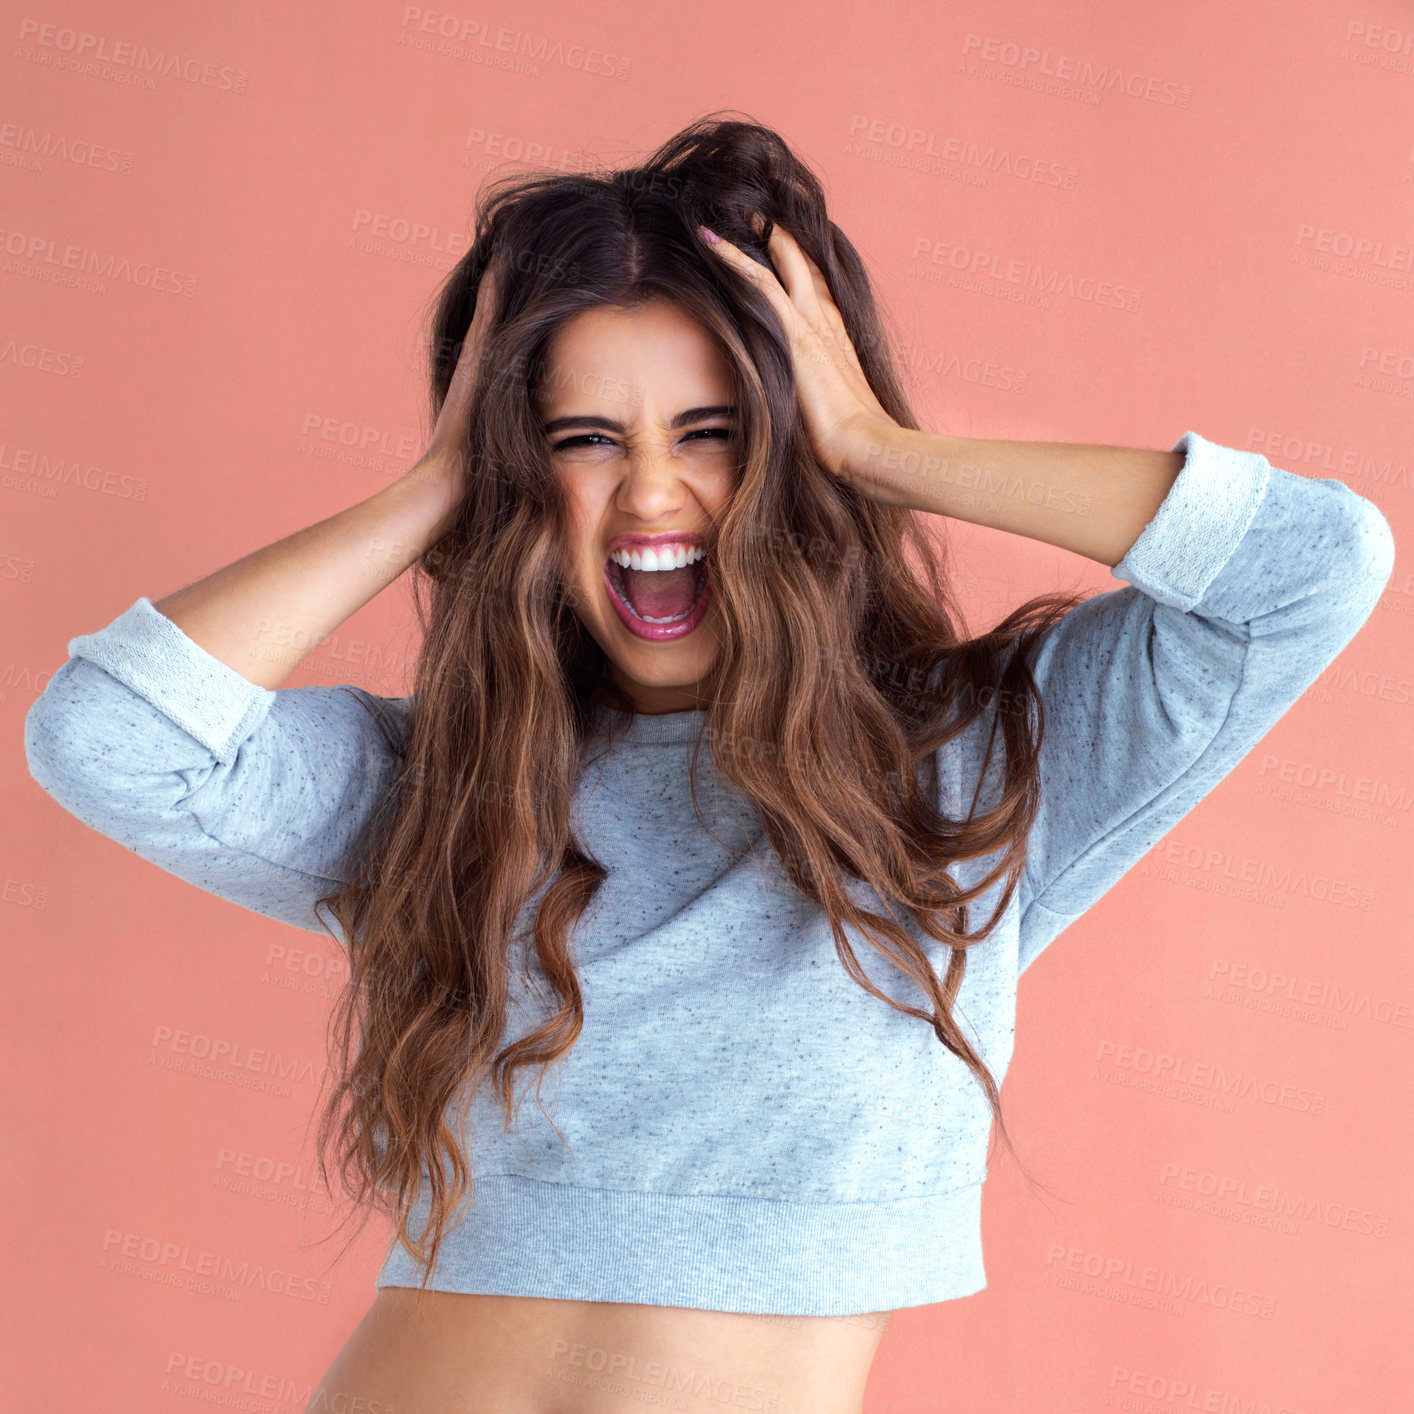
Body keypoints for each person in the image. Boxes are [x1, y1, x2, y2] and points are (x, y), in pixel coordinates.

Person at [23, 116, 1395, 1414]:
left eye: (711, 430)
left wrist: (877, 449)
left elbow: (1311, 567)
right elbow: (107, 738)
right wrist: (438, 483)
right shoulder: (438, 787)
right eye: (578, 440)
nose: (649, 495)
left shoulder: (980, 760)